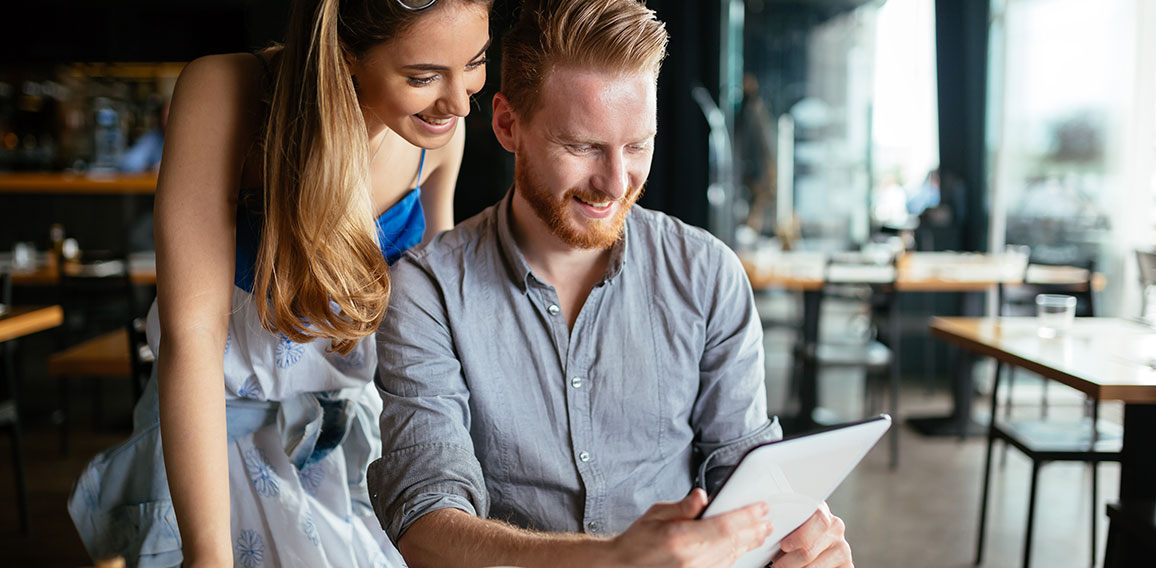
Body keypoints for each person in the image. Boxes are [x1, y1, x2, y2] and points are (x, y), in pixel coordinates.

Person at [368, 1, 854, 566]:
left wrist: (798, 538)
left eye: (637, 145)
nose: (616, 183)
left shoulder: (707, 275)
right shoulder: (428, 291)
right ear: (507, 124)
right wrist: (612, 559)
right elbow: (425, 523)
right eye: (582, 146)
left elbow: (745, 477)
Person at [67, 0, 492, 566]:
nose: (461, 101)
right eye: (423, 77)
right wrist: (208, 556)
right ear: (344, 55)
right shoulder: (223, 95)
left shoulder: (438, 140)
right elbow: (191, 337)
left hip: (345, 438)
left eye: (476, 62)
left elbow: (431, 337)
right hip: (213, 437)